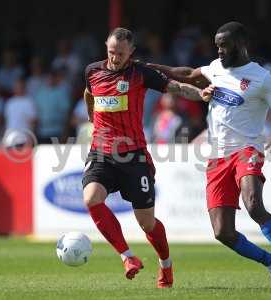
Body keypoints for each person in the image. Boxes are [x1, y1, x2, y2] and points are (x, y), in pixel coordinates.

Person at [147, 21, 271, 289]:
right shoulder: (215, 69)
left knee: (254, 203)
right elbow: (187, 73)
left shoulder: (262, 78)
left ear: (241, 44)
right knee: (223, 232)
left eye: (225, 45)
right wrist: (154, 68)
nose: (220, 50)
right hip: (217, 156)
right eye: (217, 46)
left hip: (247, 150)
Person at [82, 27, 209, 288]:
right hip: (101, 153)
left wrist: (201, 94)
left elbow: (175, 87)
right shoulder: (92, 71)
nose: (115, 57)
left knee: (147, 223)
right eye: (111, 52)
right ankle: (127, 257)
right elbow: (88, 94)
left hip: (134, 156)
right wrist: (91, 117)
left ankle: (166, 265)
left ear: (131, 52)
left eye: (120, 53)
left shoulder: (140, 73)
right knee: (91, 198)